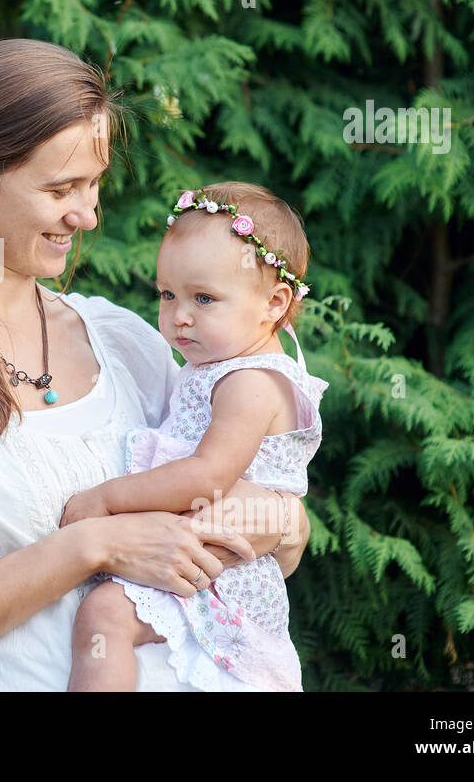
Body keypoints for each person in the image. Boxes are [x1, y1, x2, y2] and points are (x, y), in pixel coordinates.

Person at [0, 39, 311, 691]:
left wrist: (284, 522)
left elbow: (246, 530)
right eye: (61, 187)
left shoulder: (124, 341)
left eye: (93, 184)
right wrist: (92, 544)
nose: (87, 215)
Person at [62, 182, 328, 692]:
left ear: (274, 303)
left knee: (104, 617)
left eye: (204, 298)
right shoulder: (215, 367)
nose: (179, 314)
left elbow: (208, 473)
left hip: (223, 569)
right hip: (205, 546)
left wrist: (106, 498)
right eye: (168, 295)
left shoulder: (250, 381)